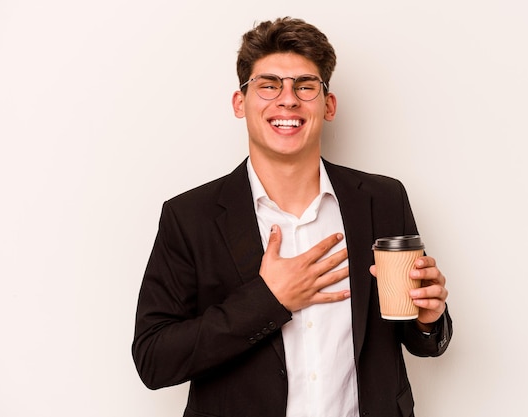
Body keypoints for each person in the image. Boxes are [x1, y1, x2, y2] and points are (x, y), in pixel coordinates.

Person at [132, 16, 452, 417]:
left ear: (328, 104)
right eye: (268, 85)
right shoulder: (189, 216)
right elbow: (153, 358)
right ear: (239, 102)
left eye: (305, 86)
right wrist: (268, 300)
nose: (288, 100)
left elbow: (415, 336)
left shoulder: (383, 199)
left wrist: (428, 318)